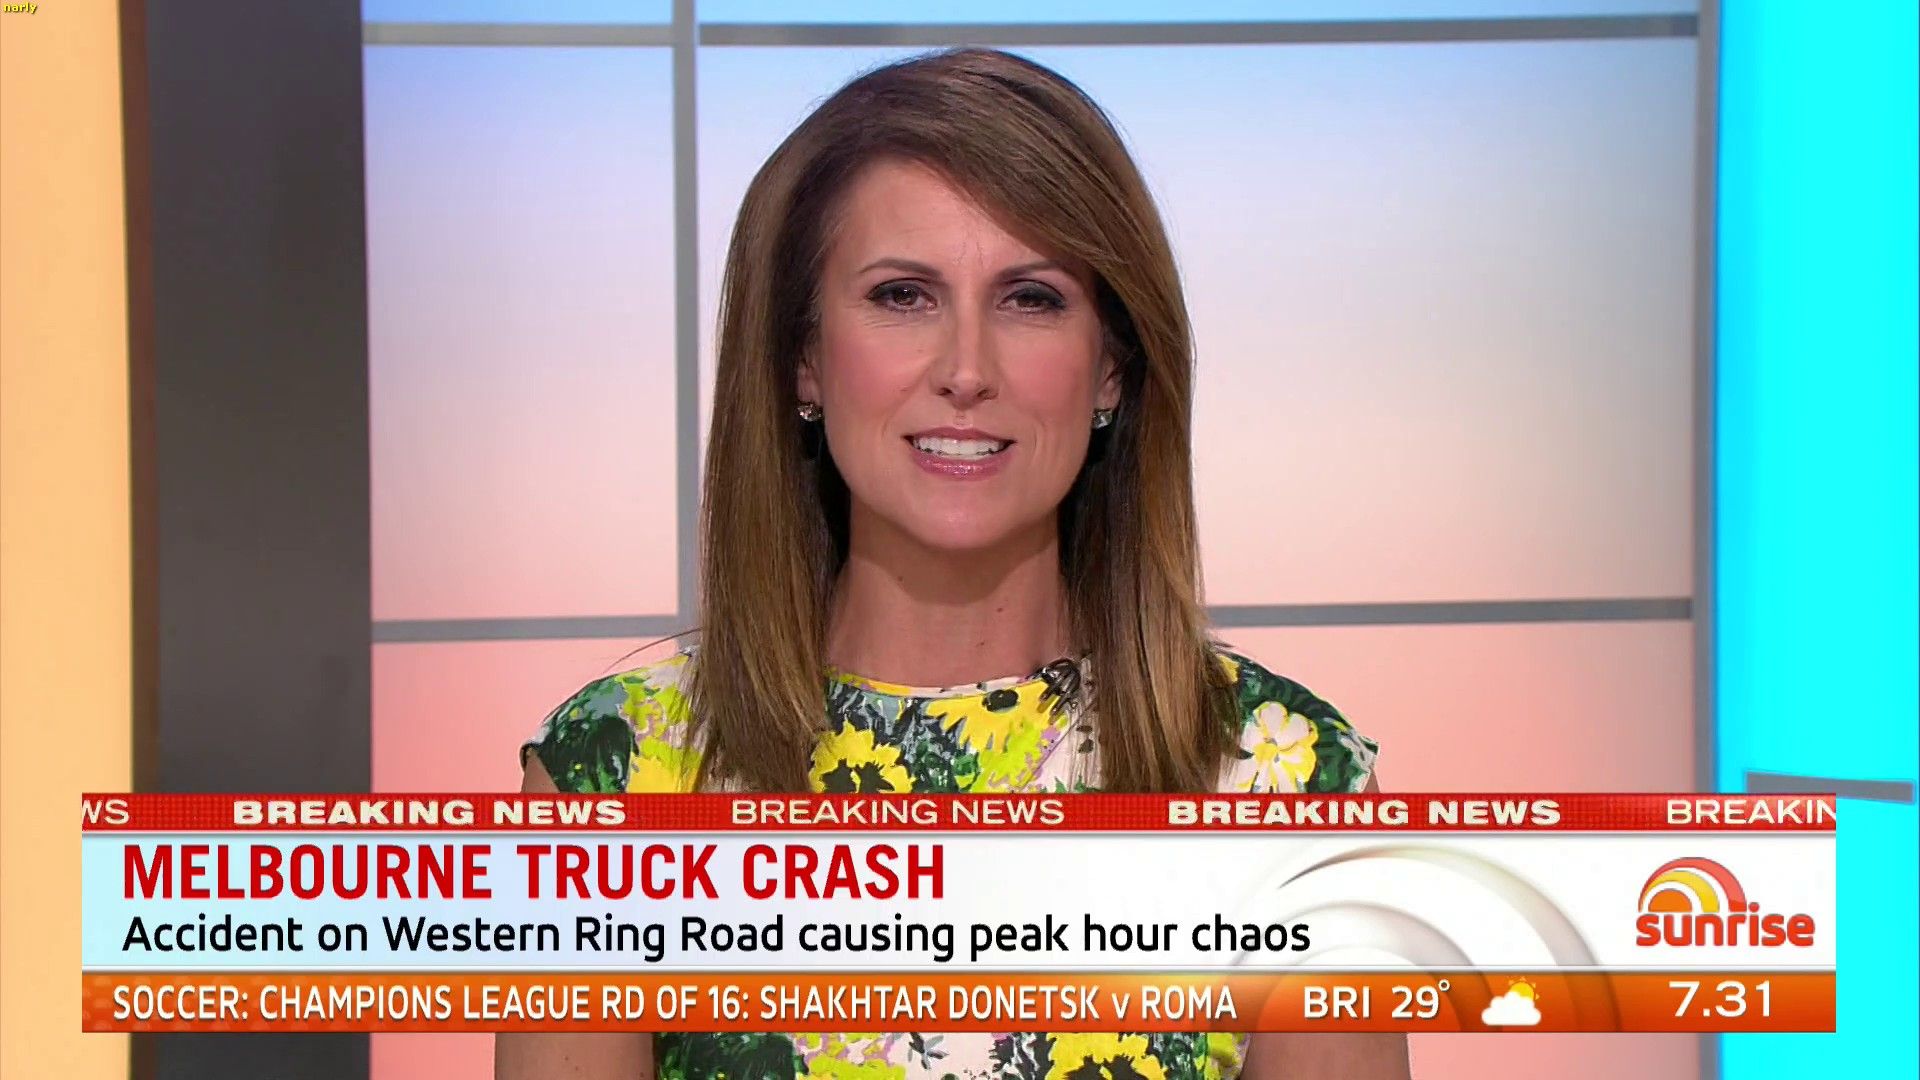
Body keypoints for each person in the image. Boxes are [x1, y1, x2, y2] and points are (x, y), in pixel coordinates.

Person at [499, 47, 1410, 1080]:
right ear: (803, 358)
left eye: (1030, 298)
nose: (967, 371)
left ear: (1111, 366)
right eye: (903, 295)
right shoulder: (617, 779)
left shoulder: (1286, 783)